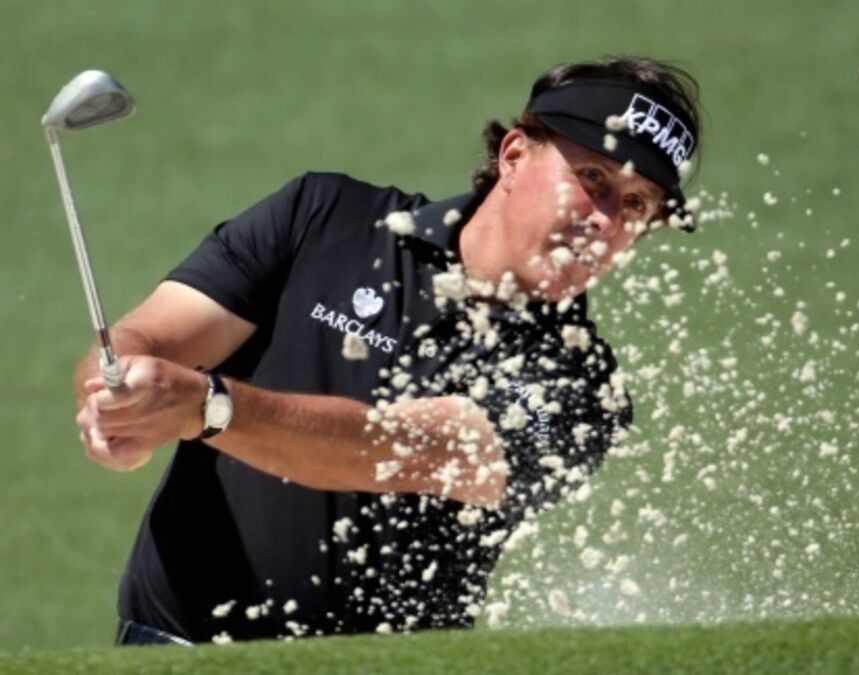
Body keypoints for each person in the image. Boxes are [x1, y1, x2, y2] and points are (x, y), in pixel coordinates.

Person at [74, 55, 703, 645]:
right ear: (514, 155)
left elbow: (402, 450)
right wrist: (116, 396)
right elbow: (151, 336)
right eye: (592, 177)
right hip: (173, 649)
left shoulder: (583, 389)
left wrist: (207, 408)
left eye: (636, 205)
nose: (606, 220)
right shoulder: (323, 216)